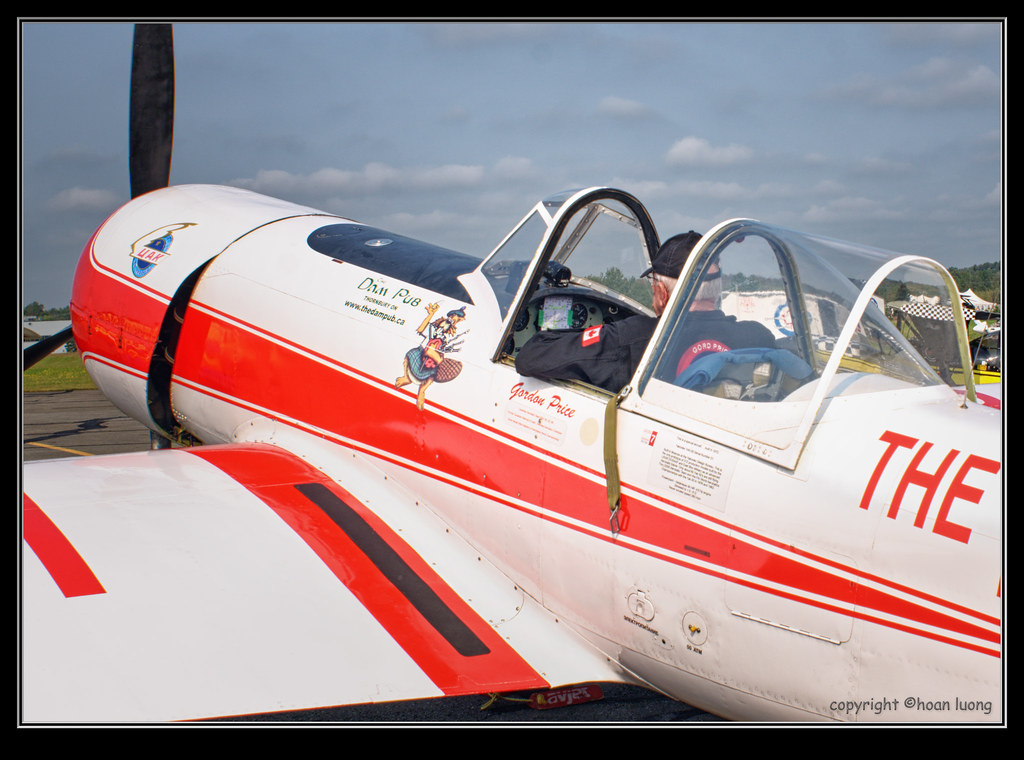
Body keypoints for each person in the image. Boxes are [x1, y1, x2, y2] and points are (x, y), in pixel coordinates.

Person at [515, 231, 702, 393]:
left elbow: (529, 358)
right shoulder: (731, 335)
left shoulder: (633, 336)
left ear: (662, 292)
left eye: (653, 282)